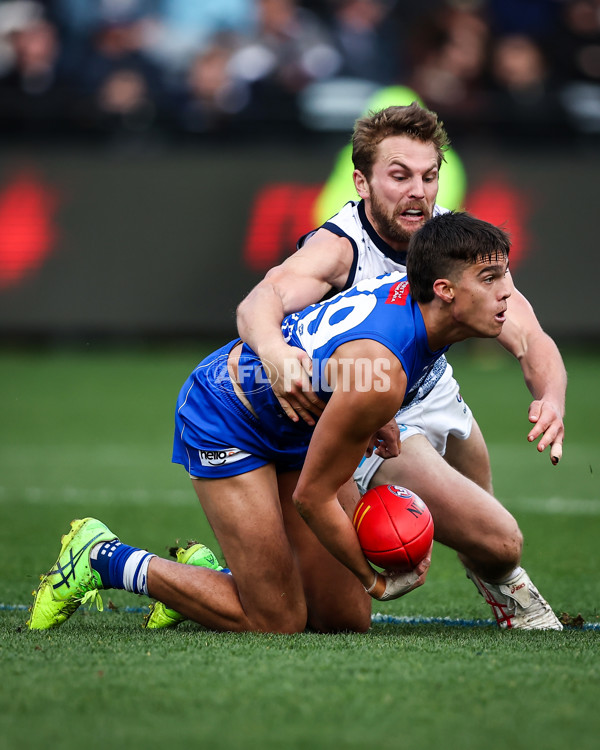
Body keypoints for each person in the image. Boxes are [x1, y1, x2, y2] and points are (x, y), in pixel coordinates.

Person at [29, 211, 512, 633]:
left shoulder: (418, 304)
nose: (506, 293)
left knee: (343, 621)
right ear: (445, 291)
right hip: (227, 415)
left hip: (297, 420)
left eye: (504, 276)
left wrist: (370, 414)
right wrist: (375, 581)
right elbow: (313, 496)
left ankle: (207, 574)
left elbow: (346, 354)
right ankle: (100, 557)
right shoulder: (384, 370)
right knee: (275, 621)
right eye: (490, 279)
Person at [235, 103, 566, 630]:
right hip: (375, 411)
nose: (418, 190)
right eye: (400, 175)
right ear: (361, 183)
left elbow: (529, 335)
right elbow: (259, 302)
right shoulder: (340, 247)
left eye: (429, 176)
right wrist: (276, 356)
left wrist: (551, 396)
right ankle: (512, 592)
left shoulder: (449, 243)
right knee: (499, 540)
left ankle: (500, 585)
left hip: (433, 390)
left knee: (487, 533)